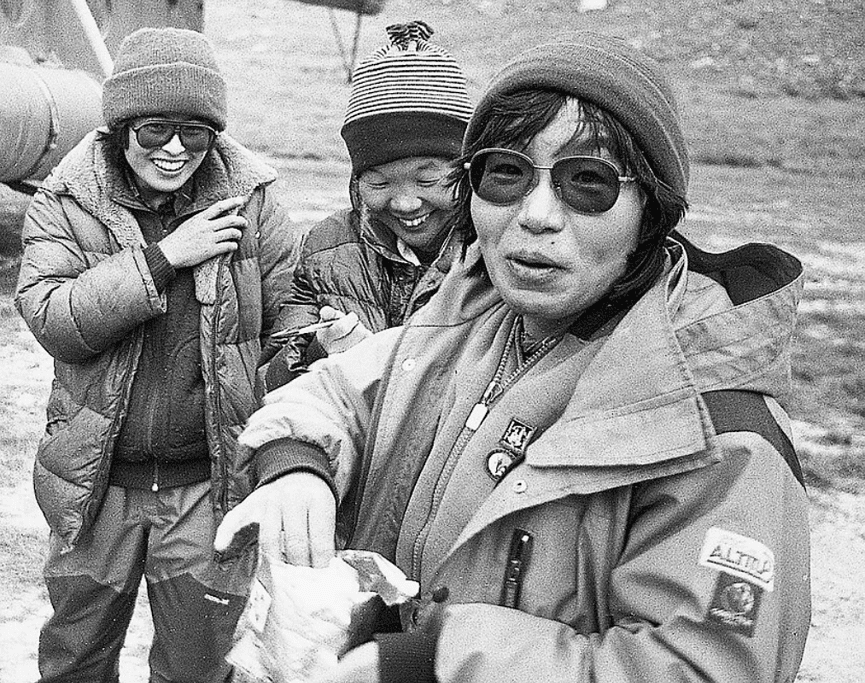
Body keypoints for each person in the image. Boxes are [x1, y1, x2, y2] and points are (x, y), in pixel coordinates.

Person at [216, 32, 811, 683]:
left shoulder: (717, 431)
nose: (535, 214)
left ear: (651, 212)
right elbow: (332, 393)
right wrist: (298, 466)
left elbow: (700, 668)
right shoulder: (464, 320)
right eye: (506, 172)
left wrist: (435, 664)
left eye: (587, 182)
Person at [14, 27, 301, 683]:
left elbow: (293, 311)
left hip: (206, 487)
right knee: (75, 660)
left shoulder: (251, 202)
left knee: (198, 666)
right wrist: (165, 257)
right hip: (95, 489)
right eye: (154, 132)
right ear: (120, 128)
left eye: (194, 134)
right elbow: (54, 318)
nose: (175, 150)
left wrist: (313, 343)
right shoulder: (68, 197)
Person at [260, 20, 473, 391]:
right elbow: (268, 384)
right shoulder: (327, 248)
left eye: (427, 181)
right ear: (357, 182)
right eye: (379, 183)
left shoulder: (498, 250)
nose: (406, 203)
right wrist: (315, 354)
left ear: (467, 171)